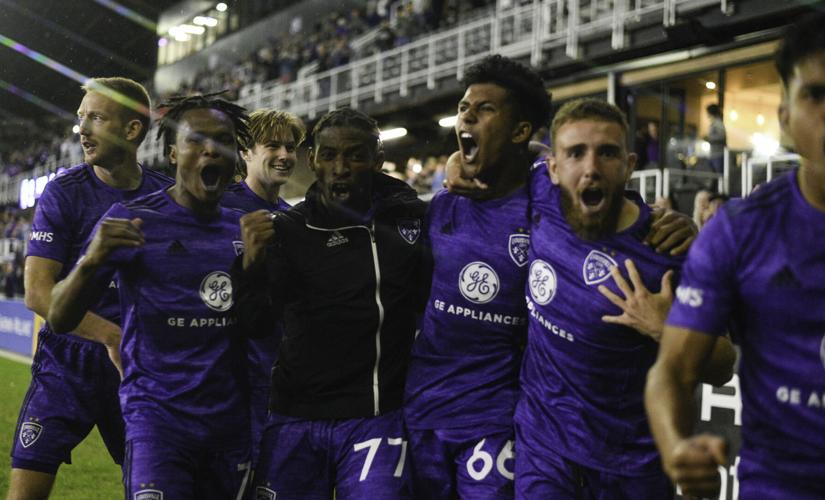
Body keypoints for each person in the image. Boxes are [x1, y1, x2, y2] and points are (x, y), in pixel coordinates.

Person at [514, 98, 735, 499]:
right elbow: (515, 147)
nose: (591, 167)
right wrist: (460, 161)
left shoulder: (670, 253)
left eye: (608, 153)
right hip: (544, 444)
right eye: (575, 153)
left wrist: (667, 328)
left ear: (630, 165)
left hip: (631, 465)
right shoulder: (544, 196)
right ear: (554, 168)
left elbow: (723, 364)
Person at [645, 13, 825, 499]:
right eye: (816, 94)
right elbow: (672, 371)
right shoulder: (740, 230)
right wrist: (675, 447)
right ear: (785, 117)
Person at [47, 93, 255, 499]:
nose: (211, 149)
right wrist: (91, 262)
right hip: (158, 423)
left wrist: (259, 271)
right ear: (173, 153)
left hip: (230, 427)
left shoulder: (246, 232)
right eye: (196, 140)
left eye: (223, 141)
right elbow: (58, 317)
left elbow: (263, 327)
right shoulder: (133, 219)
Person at [234, 108, 427, 499]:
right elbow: (255, 323)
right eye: (329, 155)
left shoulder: (412, 221)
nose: (340, 167)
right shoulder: (287, 230)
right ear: (313, 160)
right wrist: (250, 266)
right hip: (296, 417)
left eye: (354, 155)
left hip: (375, 418)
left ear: (376, 161)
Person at [7, 77, 172, 500]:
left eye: (96, 117)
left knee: (154, 490)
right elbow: (38, 294)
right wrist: (110, 335)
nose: (82, 129)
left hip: (136, 369)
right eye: (81, 117)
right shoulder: (65, 192)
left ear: (132, 130)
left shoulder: (164, 197)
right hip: (67, 362)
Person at [402, 54, 550, 499]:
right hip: (421, 410)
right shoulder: (442, 206)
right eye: (464, 107)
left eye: (484, 109)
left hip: (495, 418)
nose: (466, 115)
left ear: (521, 131)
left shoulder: (547, 209)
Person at [223, 108, 307, 470]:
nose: (285, 155)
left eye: (290, 147)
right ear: (245, 151)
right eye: (272, 145)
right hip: (225, 383)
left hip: (275, 384)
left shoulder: (295, 220)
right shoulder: (220, 207)